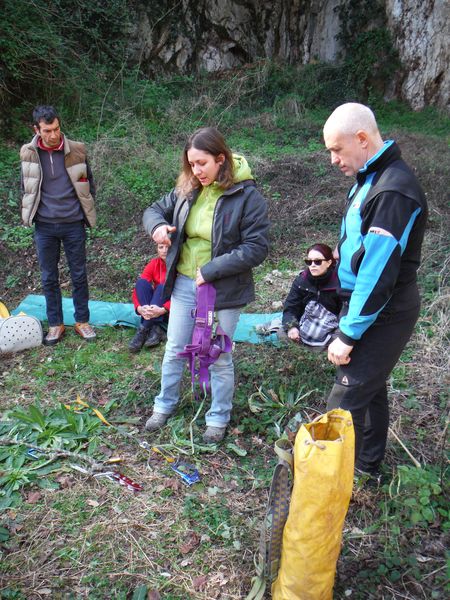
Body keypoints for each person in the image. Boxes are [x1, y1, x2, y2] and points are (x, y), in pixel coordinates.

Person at [142, 126, 269, 443]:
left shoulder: (246, 196)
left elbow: (256, 247)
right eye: (191, 164)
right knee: (175, 347)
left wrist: (212, 269)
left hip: (226, 288)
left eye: (202, 163)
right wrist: (158, 227)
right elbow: (154, 210)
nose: (196, 171)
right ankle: (164, 405)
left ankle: (218, 418)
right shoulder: (188, 189)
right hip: (185, 283)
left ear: (221, 159)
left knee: (220, 354)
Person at [322, 102, 428, 478]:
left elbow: (378, 273)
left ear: (362, 138)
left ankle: (326, 485)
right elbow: (365, 244)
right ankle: (367, 467)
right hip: (367, 304)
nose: (333, 159)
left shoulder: (392, 190)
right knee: (370, 388)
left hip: (385, 309)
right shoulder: (371, 178)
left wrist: (349, 334)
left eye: (337, 149)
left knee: (345, 398)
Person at [20, 105, 97, 345]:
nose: (53, 135)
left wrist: (84, 212)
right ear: (37, 129)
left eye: (56, 129)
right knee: (48, 277)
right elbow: (27, 186)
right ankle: (55, 324)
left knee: (79, 274)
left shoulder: (77, 150)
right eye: (47, 130)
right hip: (44, 225)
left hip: (73, 223)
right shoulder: (28, 153)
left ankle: (82, 321)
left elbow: (88, 184)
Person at [282, 243, 342, 349]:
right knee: (281, 332)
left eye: (318, 261)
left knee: (342, 342)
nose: (312, 265)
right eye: (309, 262)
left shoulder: (340, 282)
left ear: (329, 262)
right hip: (305, 323)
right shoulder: (301, 281)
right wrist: (291, 327)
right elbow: (291, 307)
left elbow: (345, 313)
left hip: (332, 326)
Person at [128, 242, 170, 353]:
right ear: (157, 249)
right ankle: (155, 330)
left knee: (161, 287)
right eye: (161, 247)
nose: (164, 250)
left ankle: (143, 331)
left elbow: (184, 296)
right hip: (155, 306)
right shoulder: (154, 263)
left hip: (171, 309)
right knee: (141, 283)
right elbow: (138, 290)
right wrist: (139, 308)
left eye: (167, 247)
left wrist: (164, 309)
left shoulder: (180, 265)